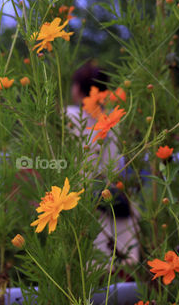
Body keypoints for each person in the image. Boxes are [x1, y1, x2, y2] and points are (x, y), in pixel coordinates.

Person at [65, 60, 139, 266]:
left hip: (84, 199)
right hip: (113, 194)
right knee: (123, 266)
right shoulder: (114, 119)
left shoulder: (68, 116)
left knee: (90, 266)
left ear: (77, 89)